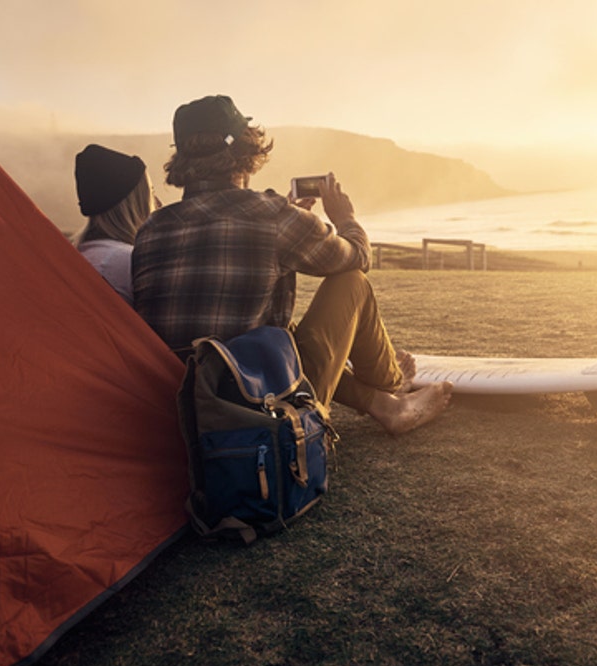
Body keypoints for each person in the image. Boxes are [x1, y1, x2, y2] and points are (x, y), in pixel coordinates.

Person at [132, 95, 451, 435]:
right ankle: (393, 383)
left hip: (183, 413)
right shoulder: (272, 216)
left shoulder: (151, 228)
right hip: (264, 410)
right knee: (351, 282)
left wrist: (284, 216)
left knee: (277, 334)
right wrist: (346, 219)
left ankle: (382, 404)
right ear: (247, 149)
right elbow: (357, 255)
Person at [71, 144, 156, 305]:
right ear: (136, 203)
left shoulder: (81, 255)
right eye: (150, 193)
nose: (156, 203)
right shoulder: (126, 261)